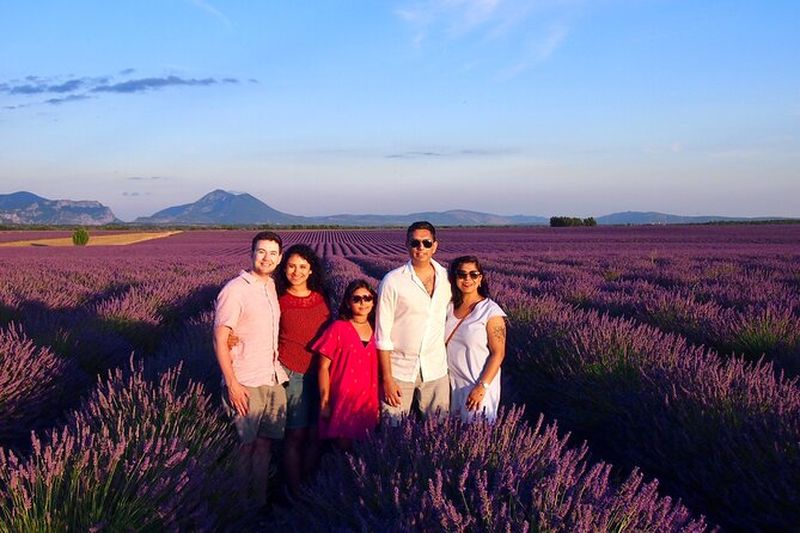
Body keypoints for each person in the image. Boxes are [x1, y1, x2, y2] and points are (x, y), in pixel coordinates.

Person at [213, 231, 288, 509]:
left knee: (265, 445)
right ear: (251, 254)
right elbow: (220, 339)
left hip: (271, 379)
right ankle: (240, 506)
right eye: (261, 252)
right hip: (245, 382)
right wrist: (232, 383)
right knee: (244, 446)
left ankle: (259, 502)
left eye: (272, 253)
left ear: (279, 258)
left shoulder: (270, 286)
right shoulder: (235, 289)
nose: (266, 258)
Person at [376, 221, 451, 424]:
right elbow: (382, 336)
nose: (420, 248)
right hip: (400, 370)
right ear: (407, 245)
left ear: (435, 245)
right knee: (392, 431)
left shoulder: (447, 278)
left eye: (426, 243)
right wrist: (387, 379)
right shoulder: (393, 280)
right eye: (415, 243)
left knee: (439, 432)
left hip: (436, 369)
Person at [274, 244, 331, 497]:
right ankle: (294, 492)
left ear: (311, 271)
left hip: (320, 373)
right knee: (295, 435)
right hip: (292, 374)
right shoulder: (276, 298)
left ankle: (309, 487)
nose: (296, 272)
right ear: (284, 268)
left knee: (317, 434)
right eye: (291, 266)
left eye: (302, 267)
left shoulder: (321, 297)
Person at [314, 279, 379, 451]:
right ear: (348, 303)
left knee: (364, 451)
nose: (363, 303)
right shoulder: (338, 328)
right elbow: (322, 367)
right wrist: (325, 402)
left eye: (367, 298)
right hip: (342, 399)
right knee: (342, 449)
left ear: (373, 301)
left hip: (368, 400)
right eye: (356, 299)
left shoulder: (378, 330)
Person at [445, 255, 507, 422]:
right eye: (462, 274)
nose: (467, 279)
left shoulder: (491, 311)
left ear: (480, 279)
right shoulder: (448, 307)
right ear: (454, 278)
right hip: (451, 386)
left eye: (473, 274)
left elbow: (498, 353)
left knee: (477, 435)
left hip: (476, 386)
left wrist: (482, 386)